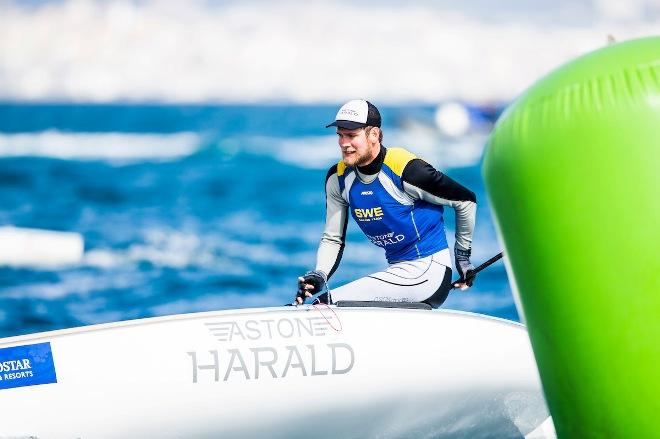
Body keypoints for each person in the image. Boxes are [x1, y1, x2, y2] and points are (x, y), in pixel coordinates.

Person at [294, 99, 477, 308]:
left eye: (352, 136)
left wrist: (463, 258)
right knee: (323, 301)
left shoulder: (406, 170)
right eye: (340, 135)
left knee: (324, 305)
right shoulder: (338, 179)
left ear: (374, 135)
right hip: (397, 273)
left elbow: (466, 200)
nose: (344, 143)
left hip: (429, 272)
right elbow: (333, 238)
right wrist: (320, 274)